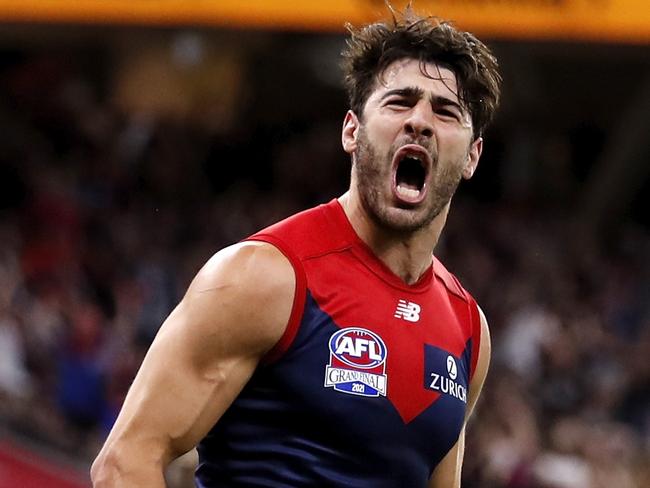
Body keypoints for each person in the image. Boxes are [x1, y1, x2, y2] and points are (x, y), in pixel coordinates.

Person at [91, 5, 501, 487]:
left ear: (472, 155)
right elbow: (125, 461)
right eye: (398, 102)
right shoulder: (264, 276)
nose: (420, 122)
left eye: (445, 111)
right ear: (352, 131)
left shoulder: (467, 328)